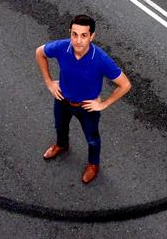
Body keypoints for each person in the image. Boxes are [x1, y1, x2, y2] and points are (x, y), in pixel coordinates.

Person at [35, 14, 131, 184]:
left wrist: (103, 104)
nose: (78, 40)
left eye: (84, 35)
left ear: (92, 36)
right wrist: (49, 82)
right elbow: (39, 52)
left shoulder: (101, 59)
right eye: (74, 34)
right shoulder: (62, 47)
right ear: (70, 32)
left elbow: (125, 84)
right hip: (62, 100)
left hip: (87, 108)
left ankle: (93, 164)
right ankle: (62, 145)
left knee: (92, 139)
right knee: (60, 126)